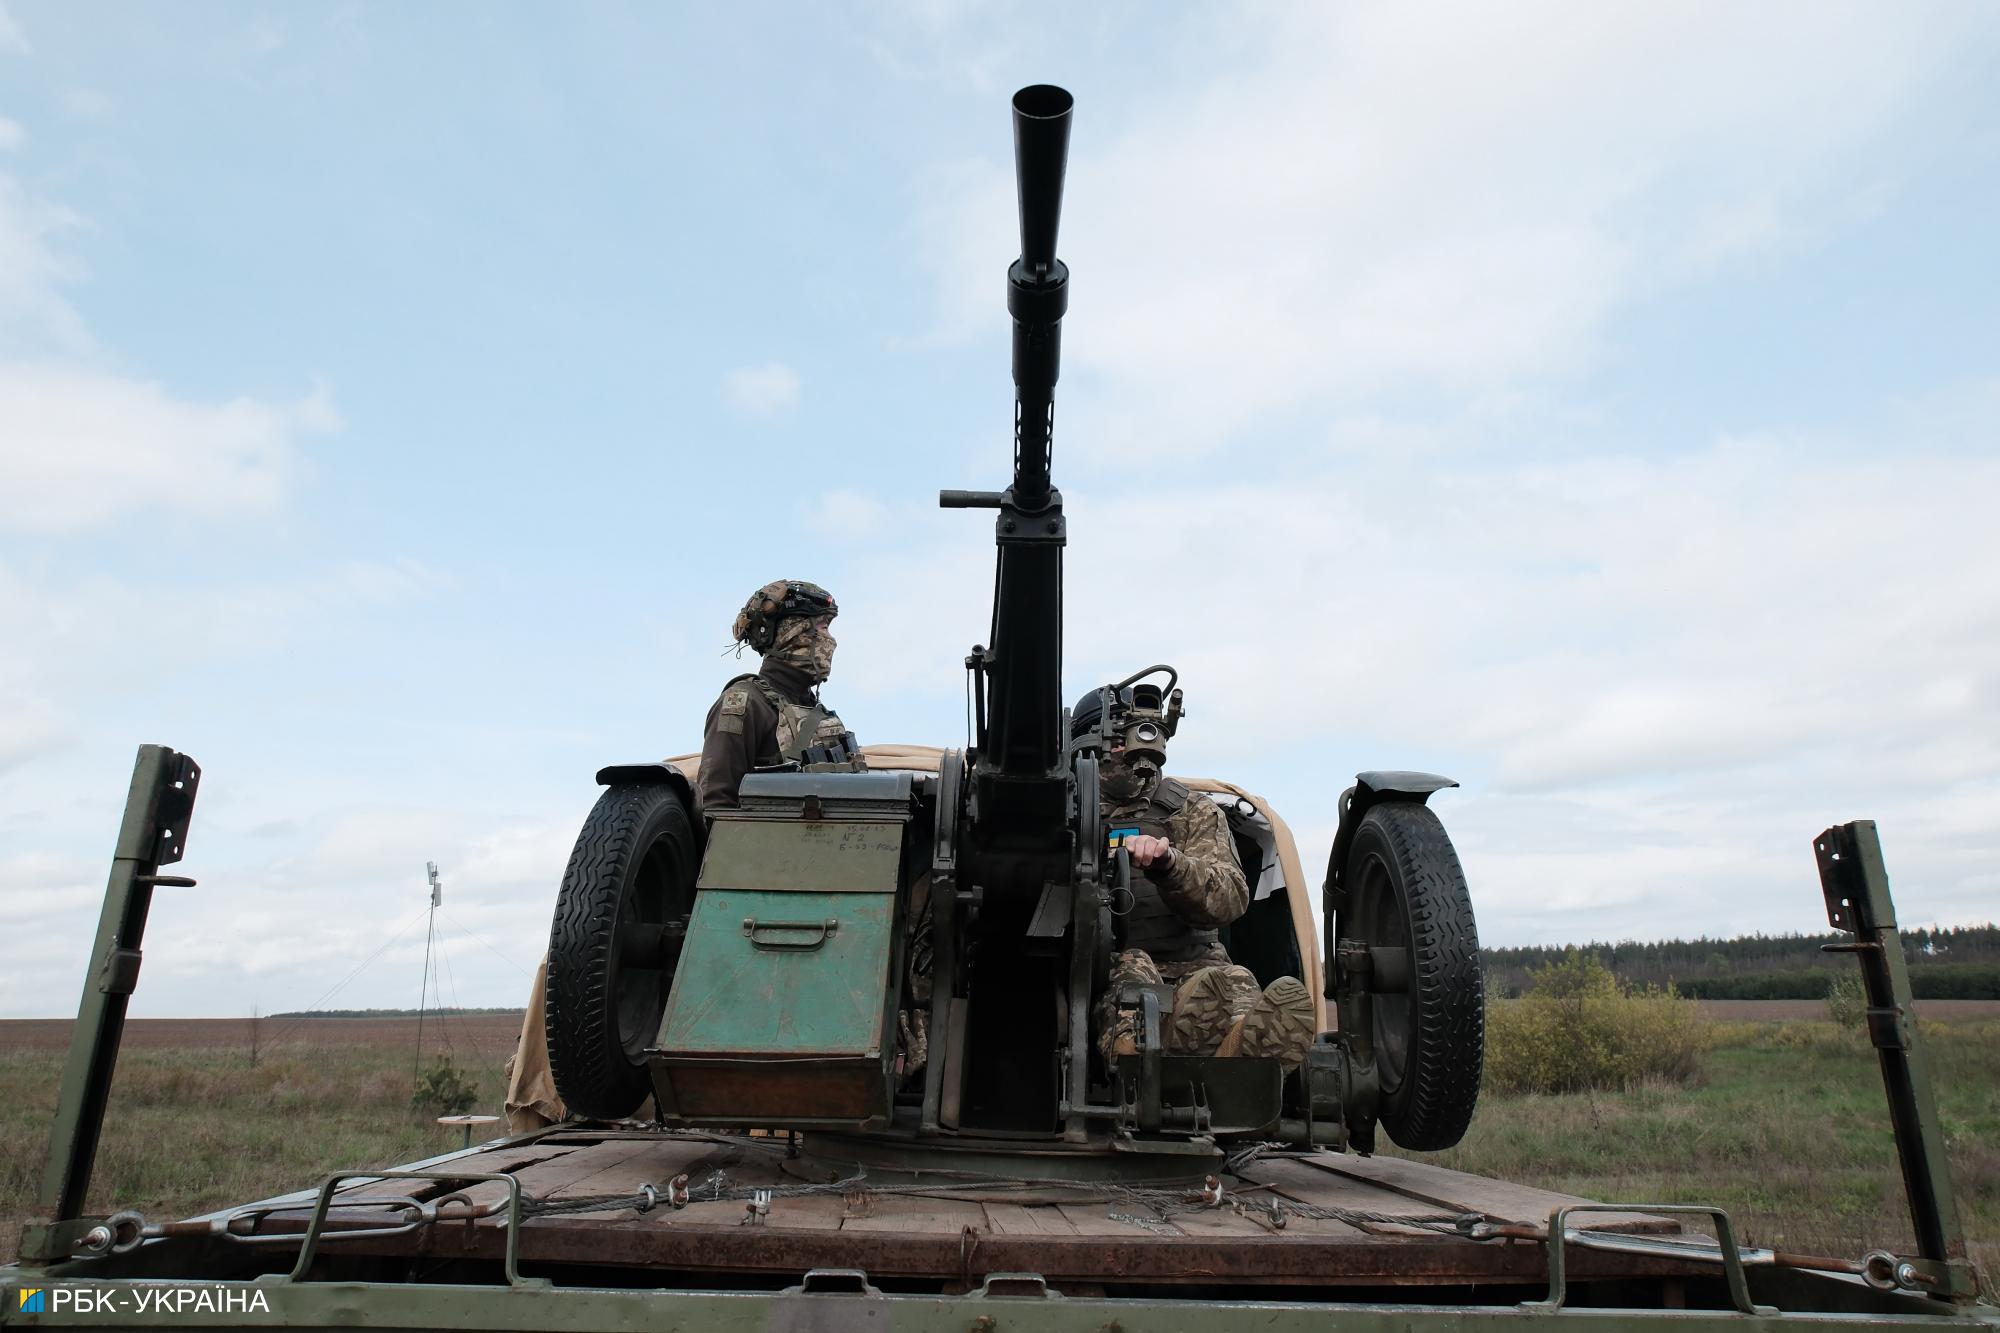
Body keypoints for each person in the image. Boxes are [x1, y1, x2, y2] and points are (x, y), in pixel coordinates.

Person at [1077, 681, 1316, 1070]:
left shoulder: (1190, 811)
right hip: (1109, 970)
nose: (1128, 748)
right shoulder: (1063, 811)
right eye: (1116, 738)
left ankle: (1237, 1061)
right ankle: (1161, 1046)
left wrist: (1171, 865)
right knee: (1134, 975)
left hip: (1197, 970)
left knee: (1230, 982)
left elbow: (1229, 899)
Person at [695, 579, 859, 812]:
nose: (831, 640)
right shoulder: (744, 704)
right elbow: (715, 805)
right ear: (791, 632)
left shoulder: (817, 712)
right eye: (823, 627)